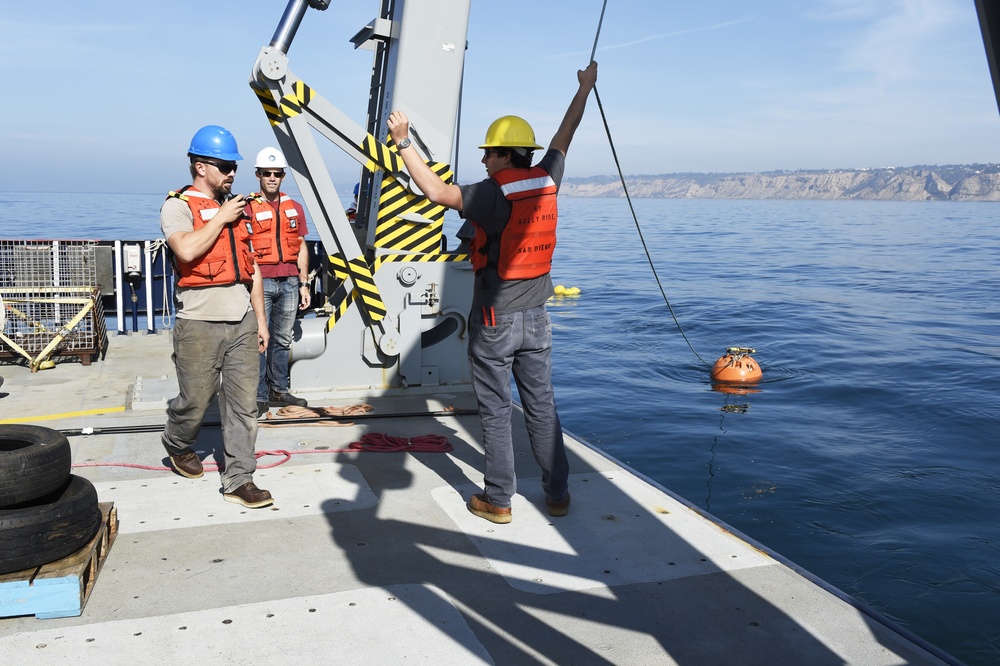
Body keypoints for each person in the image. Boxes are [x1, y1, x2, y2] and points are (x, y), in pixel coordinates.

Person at [387, 61, 598, 524]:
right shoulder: (547, 178)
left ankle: (498, 500)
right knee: (542, 407)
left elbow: (435, 192)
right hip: (538, 318)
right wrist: (584, 87)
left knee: (496, 409)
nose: (483, 161)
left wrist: (404, 143)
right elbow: (567, 131)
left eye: (488, 154)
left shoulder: (491, 193)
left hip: (495, 319)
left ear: (505, 155)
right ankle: (557, 493)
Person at [159, 125, 274, 509]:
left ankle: (240, 479)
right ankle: (177, 442)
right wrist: (220, 218)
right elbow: (187, 250)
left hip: (241, 317)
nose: (231, 174)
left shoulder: (237, 210)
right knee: (196, 399)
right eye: (225, 166)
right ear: (200, 166)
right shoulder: (177, 206)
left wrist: (260, 320)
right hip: (198, 320)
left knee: (244, 404)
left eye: (233, 167)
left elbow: (251, 268)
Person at [246, 147, 311, 417]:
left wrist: (304, 282)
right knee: (259, 339)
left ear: (283, 176)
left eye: (277, 173)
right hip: (260, 283)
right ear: (258, 175)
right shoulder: (246, 207)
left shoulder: (294, 208)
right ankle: (259, 394)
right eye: (266, 173)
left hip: (290, 283)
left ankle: (279, 389)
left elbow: (301, 245)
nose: (272, 178)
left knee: (282, 340)